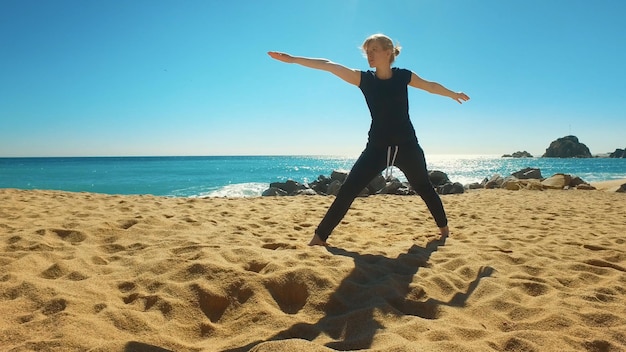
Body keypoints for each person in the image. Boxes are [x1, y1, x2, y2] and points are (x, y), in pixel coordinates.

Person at [268, 33, 470, 246]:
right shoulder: (365, 79)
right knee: (348, 190)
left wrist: (452, 93)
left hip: (407, 146)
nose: (369, 55)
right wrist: (293, 59)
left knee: (423, 187)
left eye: (374, 50)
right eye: (367, 51)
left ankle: (444, 230)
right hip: (377, 147)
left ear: (388, 51)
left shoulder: (403, 76)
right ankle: (319, 238)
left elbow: (430, 86)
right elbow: (329, 65)